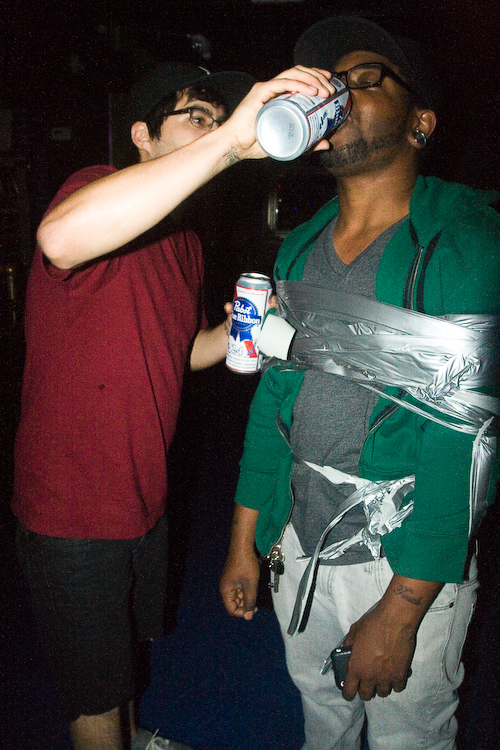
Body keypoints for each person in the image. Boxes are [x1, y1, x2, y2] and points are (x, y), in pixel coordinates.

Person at [11, 60, 340, 750]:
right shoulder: (95, 189)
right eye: (195, 117)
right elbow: (59, 238)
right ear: (142, 135)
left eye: (217, 120)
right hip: (73, 503)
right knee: (92, 690)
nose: (213, 130)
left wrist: (242, 332)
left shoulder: (184, 242)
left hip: (142, 492)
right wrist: (230, 142)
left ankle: (134, 737)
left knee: (125, 653)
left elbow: (181, 350)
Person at [220, 15, 500, 750]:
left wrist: (403, 609)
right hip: (300, 538)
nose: (338, 94)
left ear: (420, 122)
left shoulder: (466, 243)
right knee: (323, 722)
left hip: (403, 556)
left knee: (410, 738)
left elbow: (465, 444)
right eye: (330, 85)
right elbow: (273, 401)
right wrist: (246, 537)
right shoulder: (299, 247)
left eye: (365, 79)